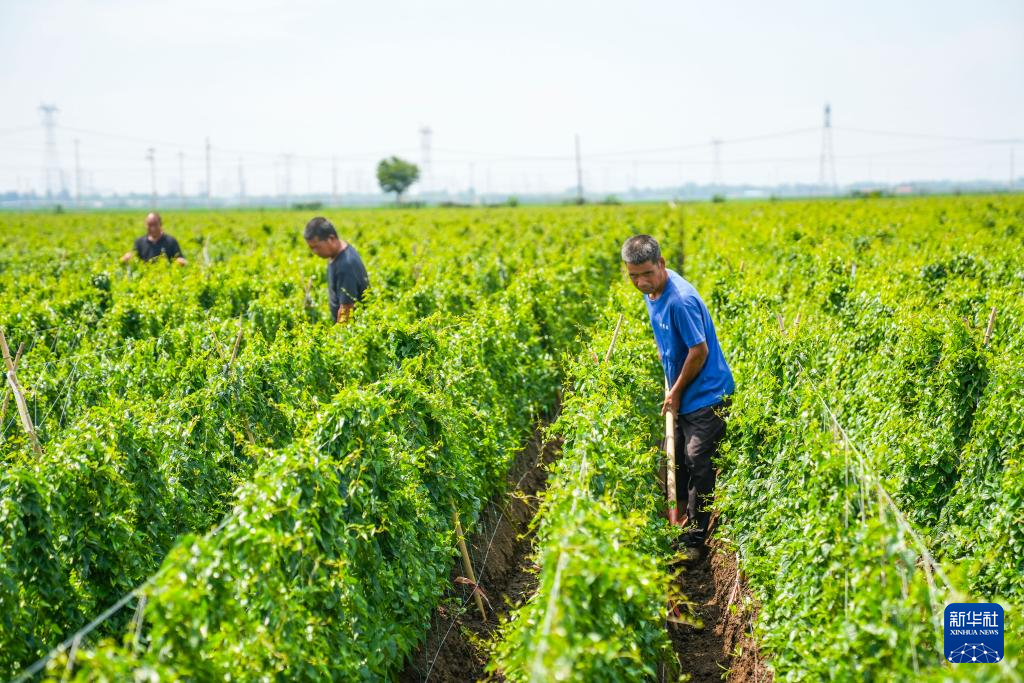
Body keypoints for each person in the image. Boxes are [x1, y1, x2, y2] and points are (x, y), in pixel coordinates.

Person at [621, 234, 734, 553]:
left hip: (708, 394)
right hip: (685, 391)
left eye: (646, 273)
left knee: (698, 461)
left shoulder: (680, 300)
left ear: (662, 264)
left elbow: (699, 350)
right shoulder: (652, 292)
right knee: (681, 461)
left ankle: (696, 539)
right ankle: (679, 520)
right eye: (633, 276)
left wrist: (676, 390)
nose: (641, 282)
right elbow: (667, 336)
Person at [304, 216, 370, 323]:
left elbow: (347, 311)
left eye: (316, 247)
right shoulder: (336, 253)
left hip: (353, 331)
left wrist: (338, 337)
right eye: (311, 248)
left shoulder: (346, 266)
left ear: (331, 239)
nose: (314, 251)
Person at [120, 212, 186, 265]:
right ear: (146, 225)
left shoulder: (171, 242)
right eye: (150, 225)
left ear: (160, 224)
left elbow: (180, 258)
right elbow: (133, 256)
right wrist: (126, 258)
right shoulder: (139, 242)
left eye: (155, 224)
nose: (152, 228)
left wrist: (180, 261)